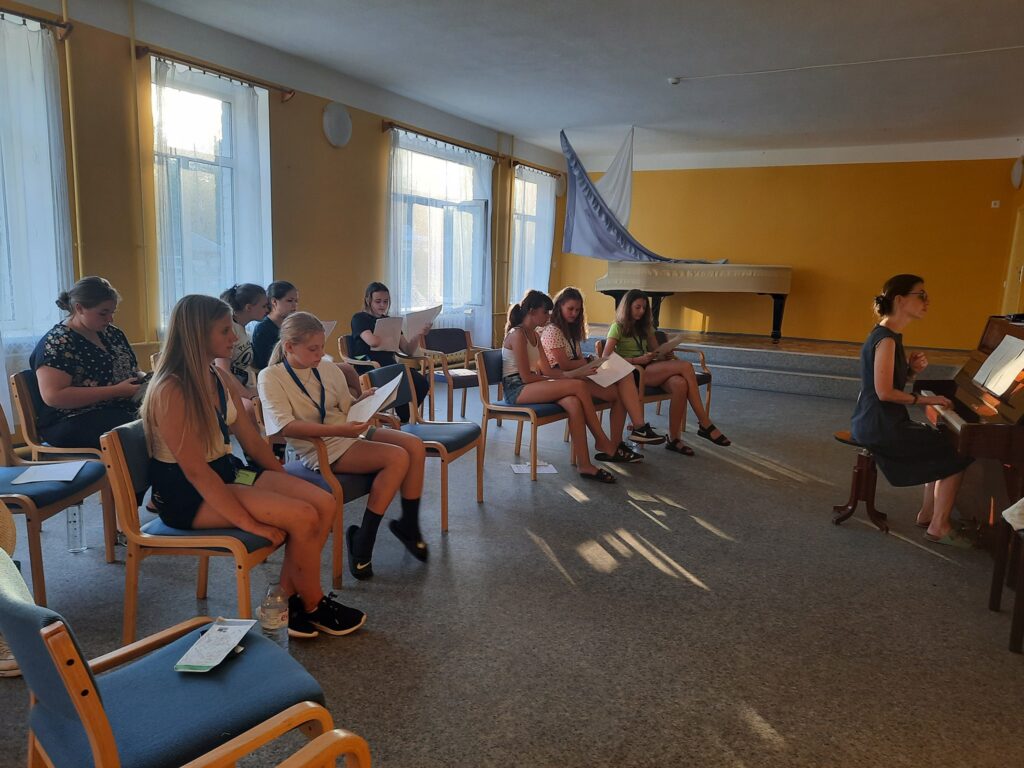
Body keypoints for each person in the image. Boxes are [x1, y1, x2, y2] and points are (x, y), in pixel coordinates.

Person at [140, 294, 365, 637]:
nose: (234, 337)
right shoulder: (171, 389)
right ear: (197, 334)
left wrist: (282, 481)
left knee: (323, 501)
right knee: (303, 515)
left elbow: (253, 442)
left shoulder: (216, 375)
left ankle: (285, 598)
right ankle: (312, 604)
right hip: (186, 493)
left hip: (225, 472)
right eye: (224, 331)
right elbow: (196, 472)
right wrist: (248, 522)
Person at [259, 311, 429, 580]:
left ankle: (408, 524)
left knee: (414, 445)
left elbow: (346, 408)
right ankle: (364, 539)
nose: (320, 354)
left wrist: (364, 400)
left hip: (345, 433)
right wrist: (338, 429)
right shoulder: (271, 376)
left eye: (321, 347)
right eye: (313, 349)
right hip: (320, 445)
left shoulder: (326, 368)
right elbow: (285, 427)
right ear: (289, 347)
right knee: (397, 457)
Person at [850, 275, 972, 546]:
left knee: (941, 444)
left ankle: (928, 514)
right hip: (879, 425)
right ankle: (939, 525)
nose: (927, 301)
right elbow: (884, 393)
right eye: (921, 295)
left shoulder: (887, 335)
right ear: (900, 300)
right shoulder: (887, 339)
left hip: (875, 420)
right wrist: (930, 400)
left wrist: (911, 372)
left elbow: (886, 383)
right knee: (957, 451)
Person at [504, 290, 639, 483]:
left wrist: (569, 376)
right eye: (545, 312)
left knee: (574, 403)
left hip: (531, 384)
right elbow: (525, 377)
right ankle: (602, 441)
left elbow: (549, 371)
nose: (548, 316)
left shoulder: (534, 335)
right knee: (578, 387)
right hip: (516, 388)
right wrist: (564, 380)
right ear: (532, 311)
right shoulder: (518, 334)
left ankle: (585, 465)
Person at [603, 289, 729, 456]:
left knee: (680, 384)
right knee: (686, 366)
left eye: (644, 308)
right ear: (627, 307)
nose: (641, 311)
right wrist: (636, 360)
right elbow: (606, 357)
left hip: (649, 368)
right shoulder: (617, 327)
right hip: (632, 372)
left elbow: (656, 352)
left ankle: (674, 439)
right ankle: (705, 422)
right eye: (637, 307)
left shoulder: (645, 327)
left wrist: (664, 354)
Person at [541, 287, 665, 450]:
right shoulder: (553, 330)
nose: (574, 313)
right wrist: (588, 361)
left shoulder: (569, 329)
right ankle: (635, 430)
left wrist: (588, 362)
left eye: (578, 310)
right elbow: (565, 364)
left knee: (623, 378)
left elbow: (576, 359)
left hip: (578, 373)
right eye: (570, 309)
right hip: (563, 378)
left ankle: (623, 439)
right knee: (621, 384)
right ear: (559, 307)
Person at [31, 276, 142, 449]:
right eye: (103, 313)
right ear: (79, 308)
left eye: (112, 312)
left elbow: (134, 370)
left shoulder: (113, 334)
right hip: (72, 419)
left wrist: (146, 381)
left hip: (116, 408)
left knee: (165, 411)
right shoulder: (58, 342)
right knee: (137, 427)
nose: (110, 319)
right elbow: (54, 396)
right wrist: (116, 391)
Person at [350, 281, 430, 423]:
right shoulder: (359, 318)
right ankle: (401, 420)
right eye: (378, 301)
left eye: (386, 301)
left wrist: (419, 334)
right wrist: (388, 334)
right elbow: (372, 341)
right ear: (368, 300)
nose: (382, 305)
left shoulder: (390, 321)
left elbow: (408, 350)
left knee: (421, 382)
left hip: (390, 366)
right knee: (403, 380)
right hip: (369, 366)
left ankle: (405, 419)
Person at [252, 281, 298, 370]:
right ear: (274, 302)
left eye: (296, 301)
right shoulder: (263, 329)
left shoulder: (292, 325)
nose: (294, 305)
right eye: (289, 300)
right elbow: (264, 364)